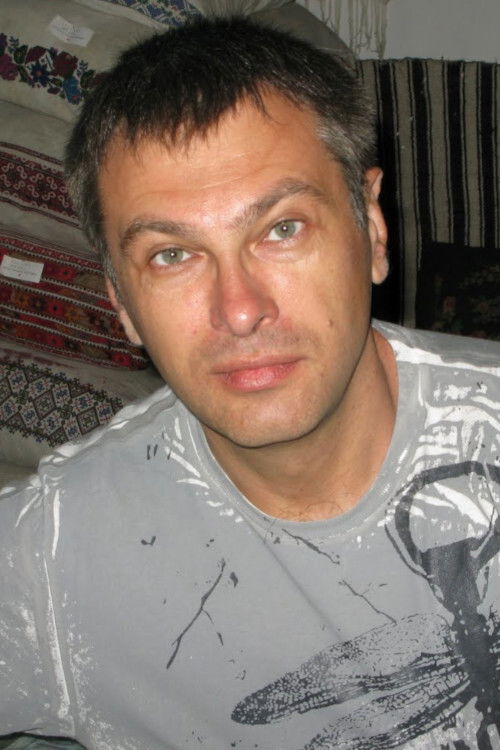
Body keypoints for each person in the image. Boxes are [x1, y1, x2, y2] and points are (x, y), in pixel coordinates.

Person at [1, 15, 500, 750]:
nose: (239, 310)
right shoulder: (55, 557)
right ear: (121, 304)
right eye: (172, 255)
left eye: (282, 229)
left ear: (372, 227)